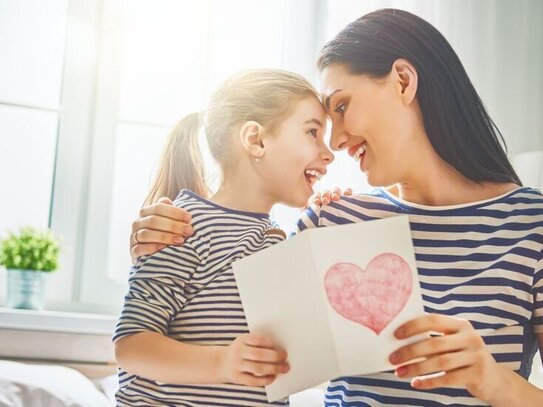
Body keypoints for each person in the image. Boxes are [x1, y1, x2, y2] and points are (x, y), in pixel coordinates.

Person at [128, 8, 543, 406]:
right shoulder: (332, 220)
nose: (338, 144)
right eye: (321, 127)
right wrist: (165, 237)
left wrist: (494, 381)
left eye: (342, 107)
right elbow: (208, 314)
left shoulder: (531, 226)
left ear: (402, 80)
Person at [113, 69, 335, 406]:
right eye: (312, 132)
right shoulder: (182, 227)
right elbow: (131, 346)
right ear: (256, 140)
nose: (329, 152)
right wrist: (223, 363)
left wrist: (334, 228)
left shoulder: (275, 241)